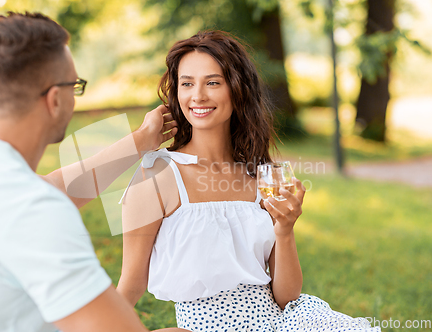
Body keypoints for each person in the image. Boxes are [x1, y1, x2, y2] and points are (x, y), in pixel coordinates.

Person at [0, 12, 188, 332]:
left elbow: (54, 186)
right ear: (55, 100)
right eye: (75, 86)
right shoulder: (34, 213)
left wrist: (139, 141)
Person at [117, 30, 380, 332]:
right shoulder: (158, 175)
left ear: (237, 89)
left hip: (280, 323)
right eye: (187, 83)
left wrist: (285, 230)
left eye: (212, 82)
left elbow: (286, 297)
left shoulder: (260, 176)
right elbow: (131, 284)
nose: (198, 95)